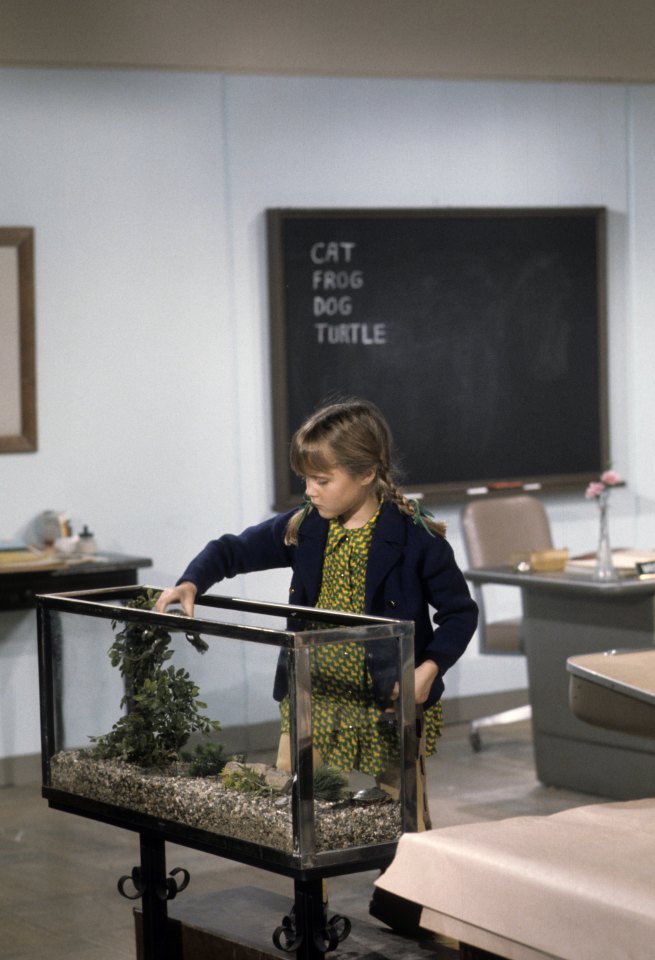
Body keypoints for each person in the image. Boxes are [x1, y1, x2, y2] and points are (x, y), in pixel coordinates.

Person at [155, 397, 477, 930]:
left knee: (404, 815)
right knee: (296, 807)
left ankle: (408, 911)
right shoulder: (304, 526)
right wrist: (193, 581)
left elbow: (460, 615)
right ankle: (309, 909)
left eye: (322, 480)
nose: (310, 490)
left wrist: (429, 669)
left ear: (368, 473)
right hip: (313, 694)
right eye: (306, 479)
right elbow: (231, 549)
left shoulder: (417, 539)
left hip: (387, 701)